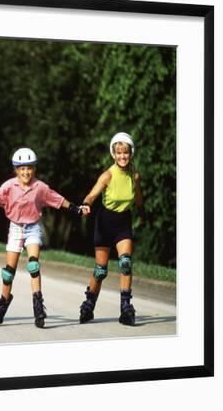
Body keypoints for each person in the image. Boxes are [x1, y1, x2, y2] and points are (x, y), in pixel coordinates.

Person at [0, 148, 86, 328]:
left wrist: (76, 208)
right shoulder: (9, 186)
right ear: (16, 170)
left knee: (33, 265)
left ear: (34, 169)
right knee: (8, 272)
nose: (26, 172)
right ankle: (1, 308)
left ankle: (38, 306)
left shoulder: (40, 187)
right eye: (22, 168)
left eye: (29, 168)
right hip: (16, 228)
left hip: (33, 227)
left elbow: (57, 199)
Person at [77, 132, 144, 326]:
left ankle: (125, 308)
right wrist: (86, 204)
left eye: (126, 153)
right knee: (100, 271)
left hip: (124, 221)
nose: (122, 157)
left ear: (131, 153)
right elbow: (91, 195)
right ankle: (88, 305)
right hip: (105, 222)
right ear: (113, 154)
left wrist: (142, 213)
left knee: (125, 263)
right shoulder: (107, 175)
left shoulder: (135, 175)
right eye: (119, 153)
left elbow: (138, 197)